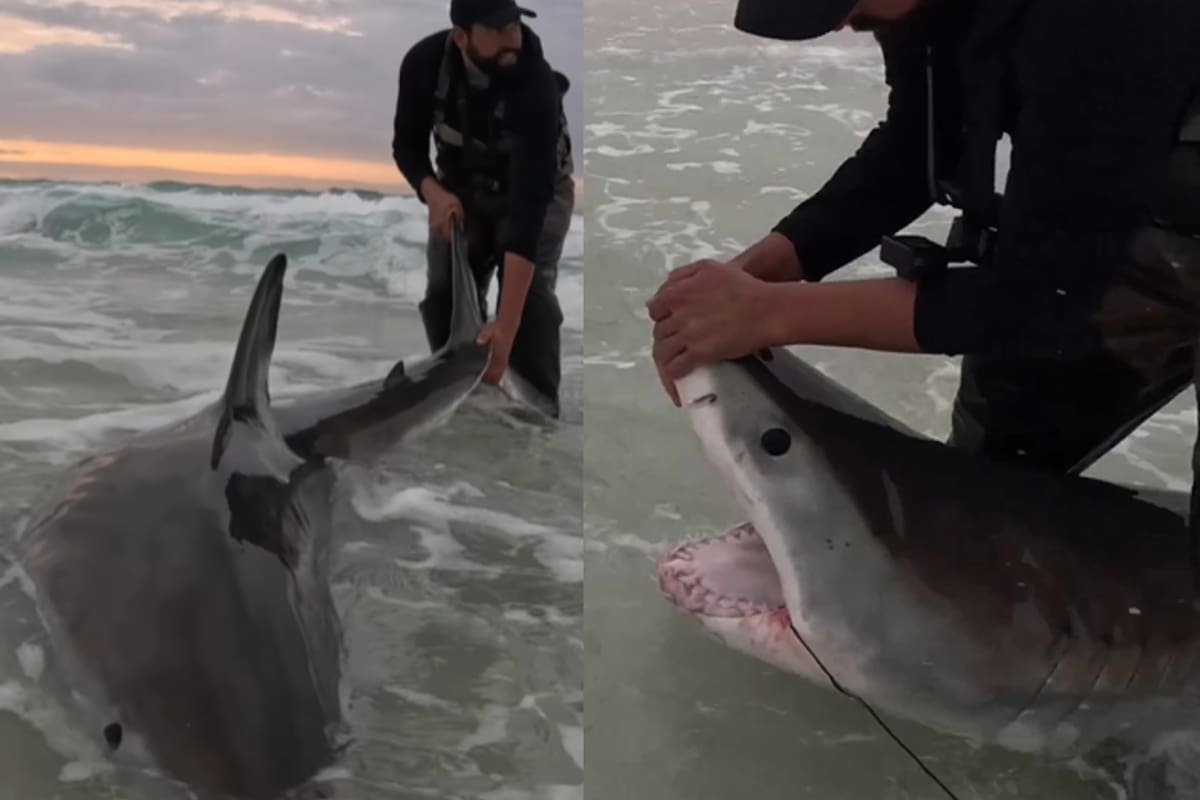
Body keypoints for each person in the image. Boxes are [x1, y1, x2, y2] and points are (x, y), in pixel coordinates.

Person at [648, 0, 1200, 482]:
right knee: (978, 490)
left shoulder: (1104, 16)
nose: (840, 23)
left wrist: (769, 314)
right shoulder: (919, 8)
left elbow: (1038, 298)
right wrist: (758, 275)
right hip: (1114, 220)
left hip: (1104, 224)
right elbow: (921, 142)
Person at [392, 0, 575, 418]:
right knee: (446, 290)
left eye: (514, 25)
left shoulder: (535, 83)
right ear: (461, 37)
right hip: (461, 189)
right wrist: (433, 193)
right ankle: (457, 399)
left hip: (537, 192)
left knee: (528, 299)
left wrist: (505, 330)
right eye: (497, 30)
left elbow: (528, 213)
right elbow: (407, 147)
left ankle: (538, 414)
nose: (513, 39)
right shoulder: (423, 64)